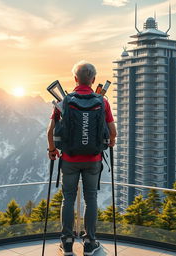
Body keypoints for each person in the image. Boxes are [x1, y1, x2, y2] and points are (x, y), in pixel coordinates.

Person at [47, 61, 117, 256]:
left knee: (67, 199)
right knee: (91, 198)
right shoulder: (102, 102)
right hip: (93, 159)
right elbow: (113, 131)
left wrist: (52, 150)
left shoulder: (64, 101)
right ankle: (90, 242)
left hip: (69, 159)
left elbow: (50, 131)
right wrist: (110, 141)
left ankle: (67, 243)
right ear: (93, 80)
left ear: (75, 79)